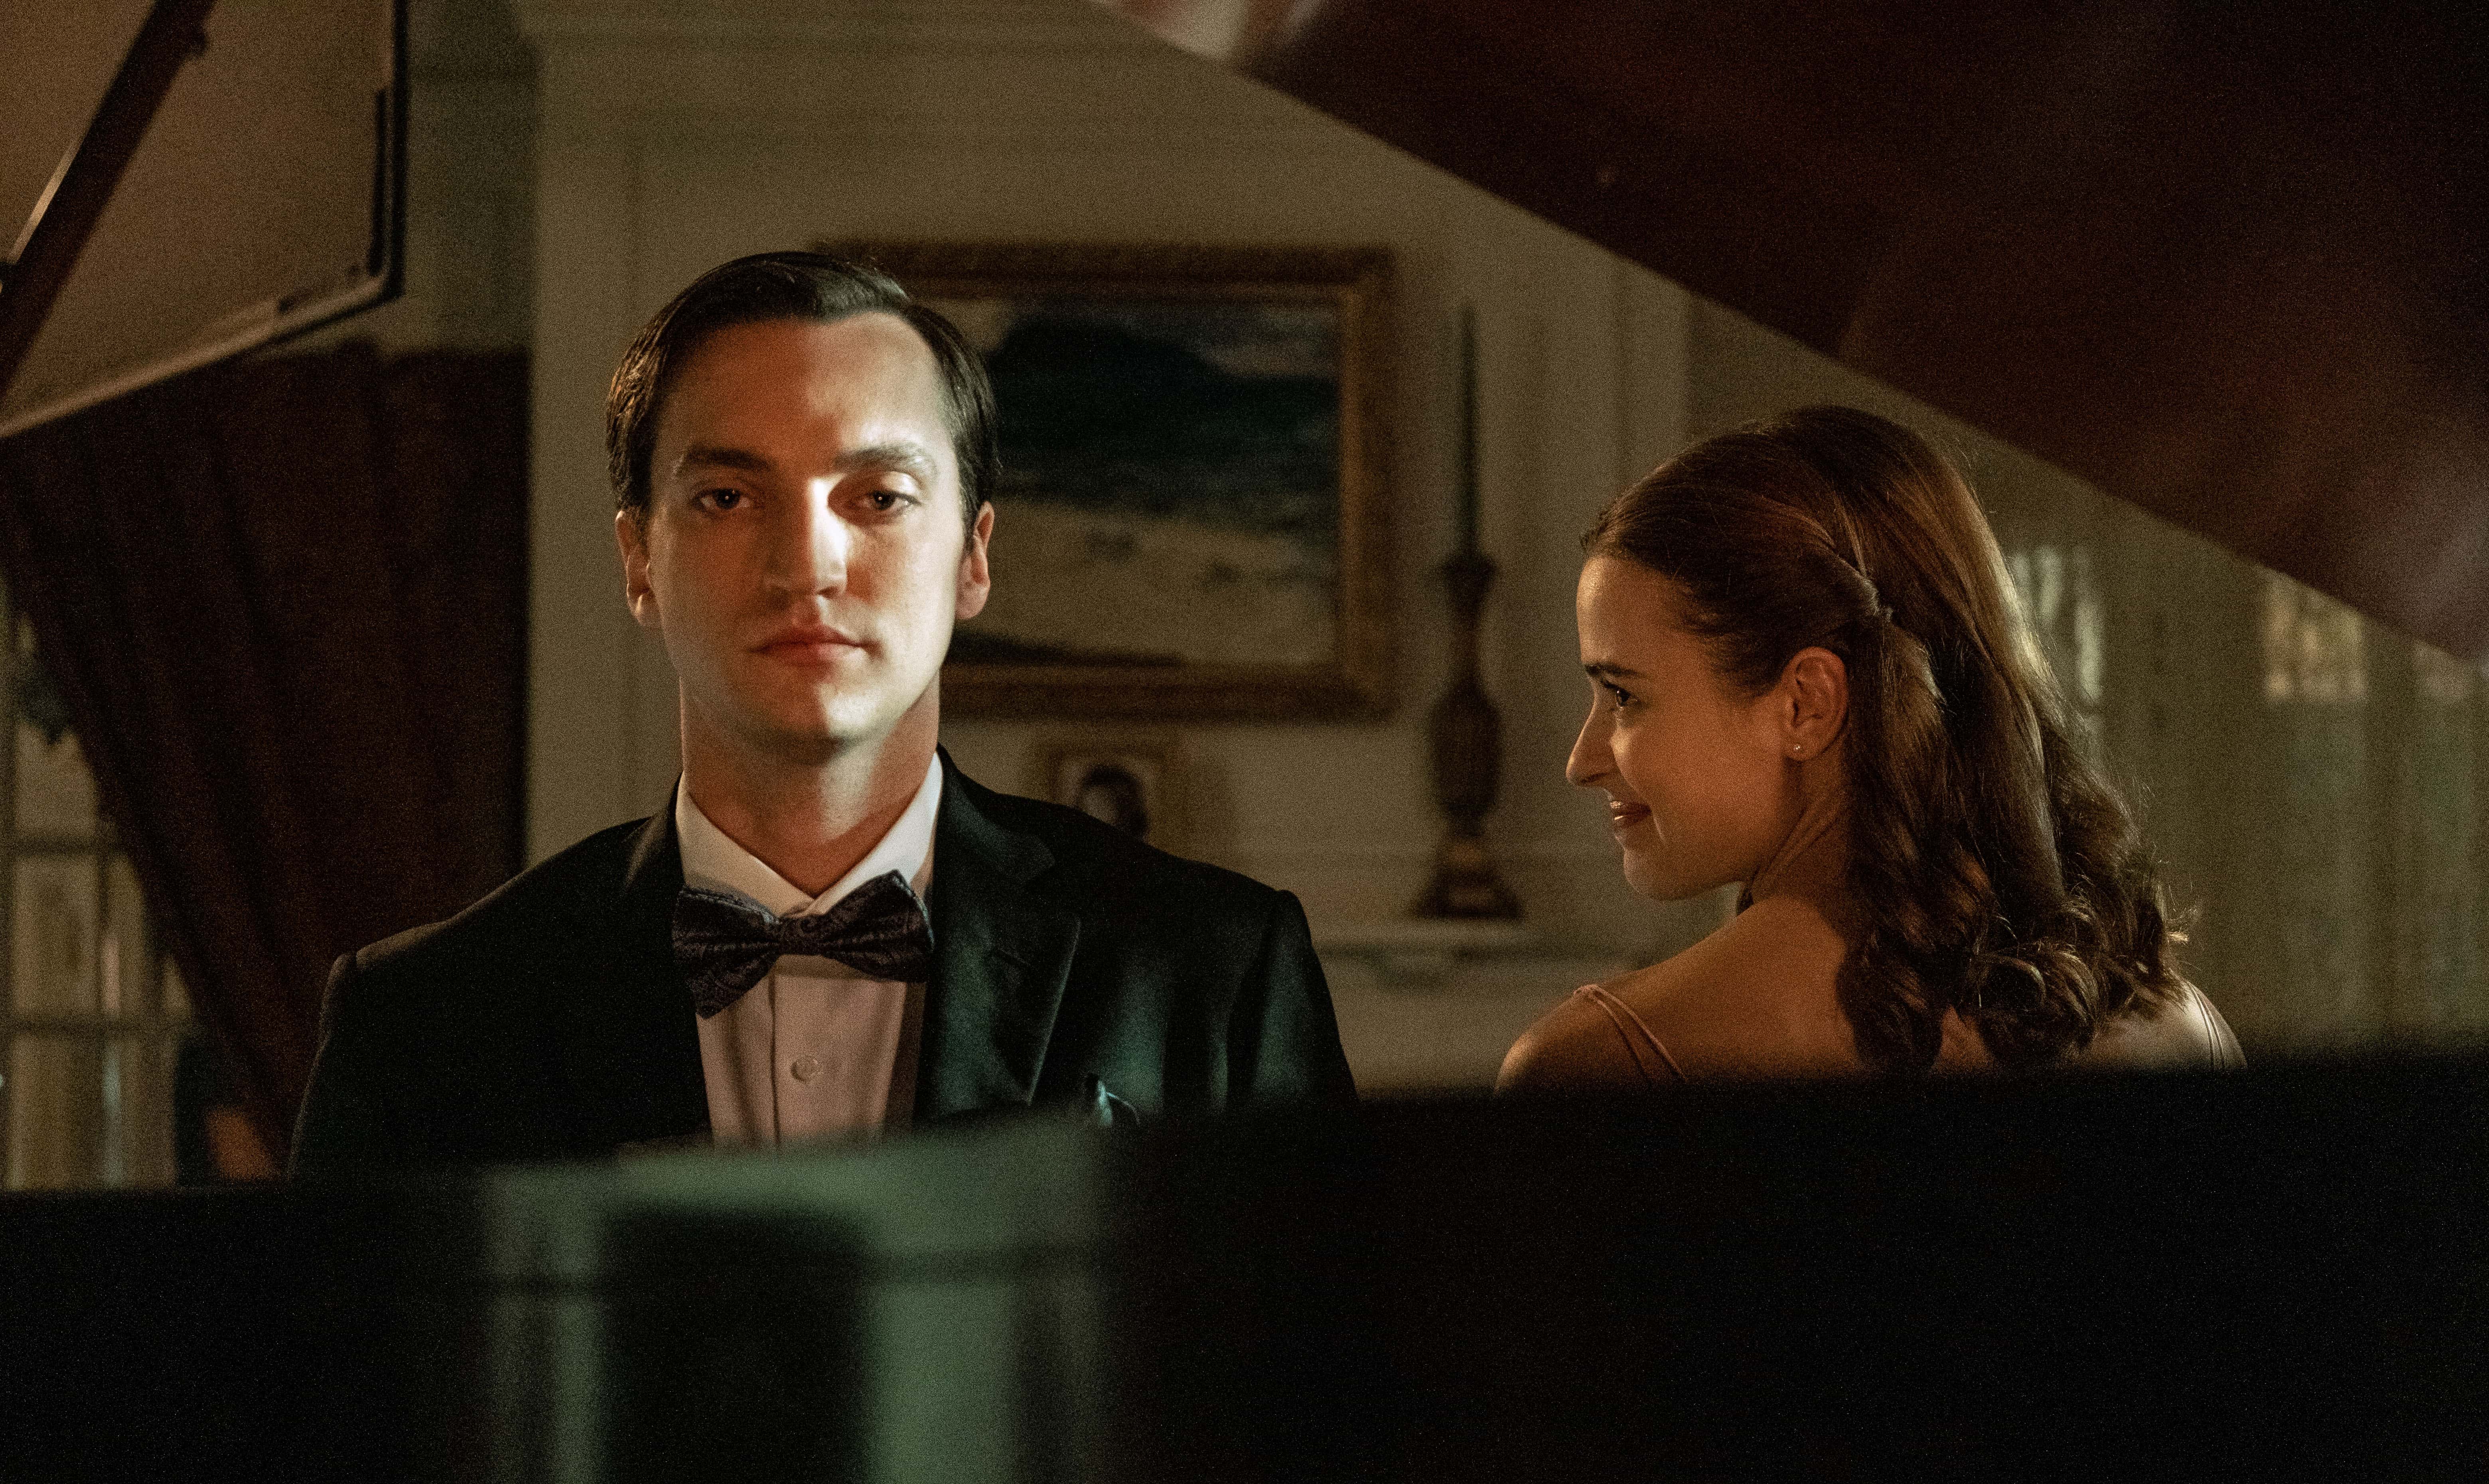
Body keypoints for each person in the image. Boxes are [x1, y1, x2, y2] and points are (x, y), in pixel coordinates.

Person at [294, 251, 1354, 1167]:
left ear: (974, 558)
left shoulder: (1217, 973)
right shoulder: (422, 1023)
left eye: (879, 498)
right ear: (638, 561)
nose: (807, 564)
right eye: (727, 497)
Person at [1498, 406, 2239, 1093]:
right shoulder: (2179, 1023)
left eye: (1624, 696)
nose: (1582, 761)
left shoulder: (1599, 1066)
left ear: (1806, 703)